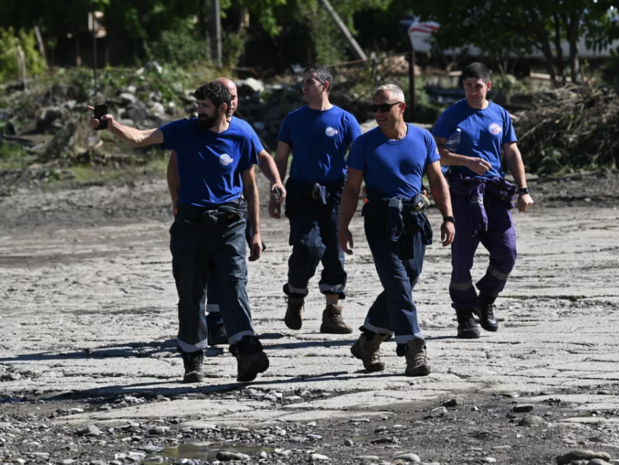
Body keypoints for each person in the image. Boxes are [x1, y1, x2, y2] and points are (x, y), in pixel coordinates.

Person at [89, 81, 270, 383]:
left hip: (230, 223)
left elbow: (250, 185)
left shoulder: (242, 133)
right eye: (197, 105)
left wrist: (256, 232)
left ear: (223, 108)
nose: (199, 111)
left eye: (205, 106)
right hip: (190, 225)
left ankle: (247, 351)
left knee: (233, 286)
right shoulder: (184, 129)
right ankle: (193, 358)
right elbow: (140, 138)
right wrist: (111, 124)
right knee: (190, 293)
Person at [339, 84, 455, 377]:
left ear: (401, 108)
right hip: (380, 221)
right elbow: (351, 189)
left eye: (384, 107)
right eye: (374, 108)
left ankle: (369, 340)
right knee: (398, 282)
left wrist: (448, 217)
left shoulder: (423, 137)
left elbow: (438, 180)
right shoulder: (364, 144)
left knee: (407, 280)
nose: (378, 113)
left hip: (415, 218)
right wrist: (343, 228)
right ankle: (413, 347)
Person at [167, 78, 287, 346]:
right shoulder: (193, 129)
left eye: (235, 97)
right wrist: (176, 200)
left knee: (231, 273)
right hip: (196, 215)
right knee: (202, 276)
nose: (232, 102)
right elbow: (173, 166)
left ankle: (229, 330)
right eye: (228, 97)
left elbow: (261, 161)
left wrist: (276, 181)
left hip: (233, 214)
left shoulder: (242, 130)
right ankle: (212, 326)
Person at [431, 62, 534, 339]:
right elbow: (435, 152)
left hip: (494, 192)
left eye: (478, 86)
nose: (473, 91)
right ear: (463, 85)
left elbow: (512, 152)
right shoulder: (452, 115)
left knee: (507, 251)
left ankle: (485, 298)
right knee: (462, 258)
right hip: (463, 192)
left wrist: (523, 189)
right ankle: (464, 314)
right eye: (468, 86)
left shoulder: (500, 114)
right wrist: (466, 161)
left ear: (488, 86)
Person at [273, 65, 361, 334]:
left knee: (335, 253)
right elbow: (280, 159)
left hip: (335, 193)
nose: (304, 87)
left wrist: (363, 189)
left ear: (325, 86)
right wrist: (274, 192)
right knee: (307, 247)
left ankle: (333, 313)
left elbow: (358, 158)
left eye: (310, 82)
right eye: (303, 83)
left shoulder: (345, 119)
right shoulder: (293, 120)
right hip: (301, 192)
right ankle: (296, 297)